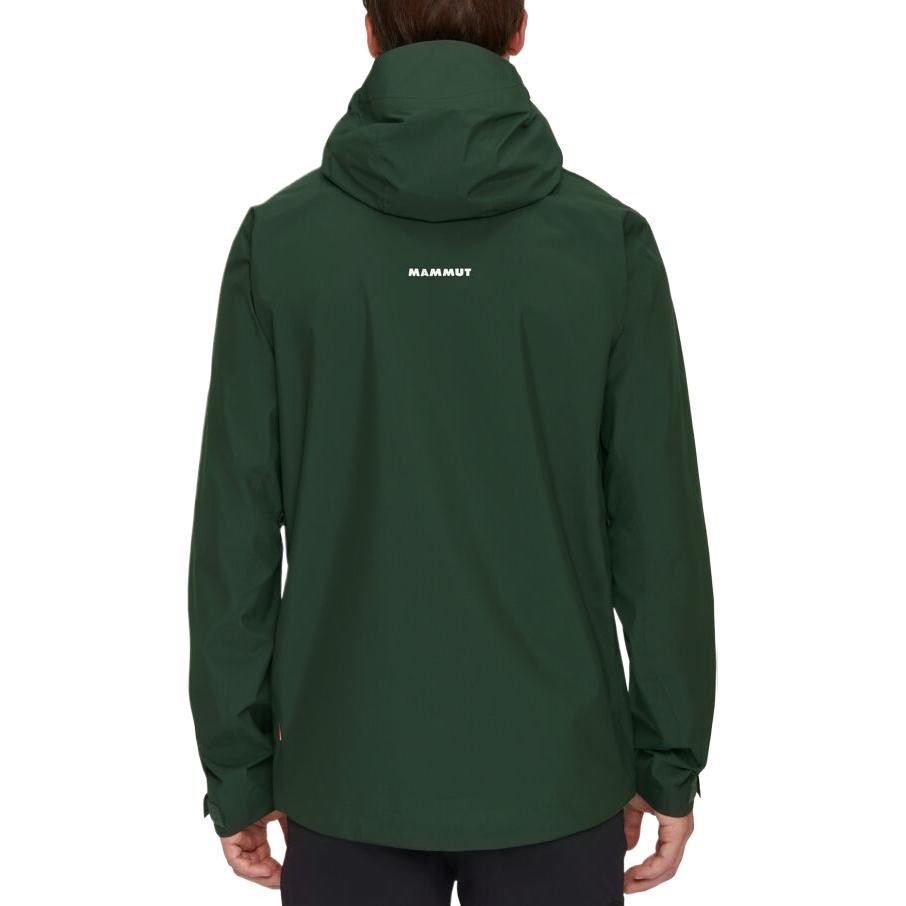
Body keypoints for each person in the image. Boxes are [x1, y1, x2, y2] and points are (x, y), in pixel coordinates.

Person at [187, 1, 716, 902]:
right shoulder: (606, 244)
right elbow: (657, 530)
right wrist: (668, 761)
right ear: (519, 29)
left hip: (347, 770)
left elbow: (235, 536)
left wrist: (238, 770)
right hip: (556, 773)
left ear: (369, 30)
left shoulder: (279, 245)